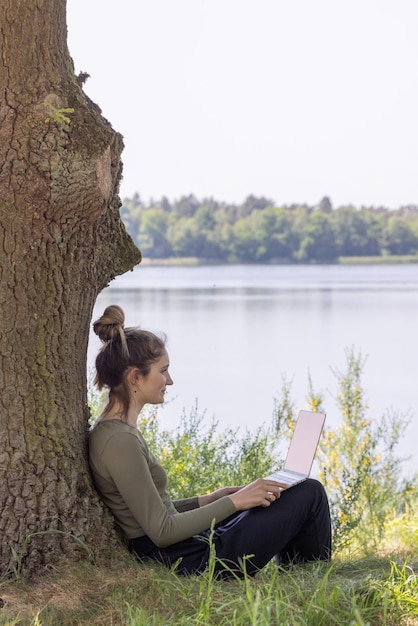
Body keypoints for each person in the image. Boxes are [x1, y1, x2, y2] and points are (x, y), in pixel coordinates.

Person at [88, 304, 332, 578]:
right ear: (135, 377)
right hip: (190, 559)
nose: (169, 381)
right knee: (309, 492)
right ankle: (311, 577)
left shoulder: (119, 431)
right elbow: (162, 531)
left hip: (189, 547)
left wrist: (209, 499)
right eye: (163, 370)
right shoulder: (119, 441)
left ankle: (301, 575)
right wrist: (236, 502)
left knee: (287, 492)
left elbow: (151, 511)